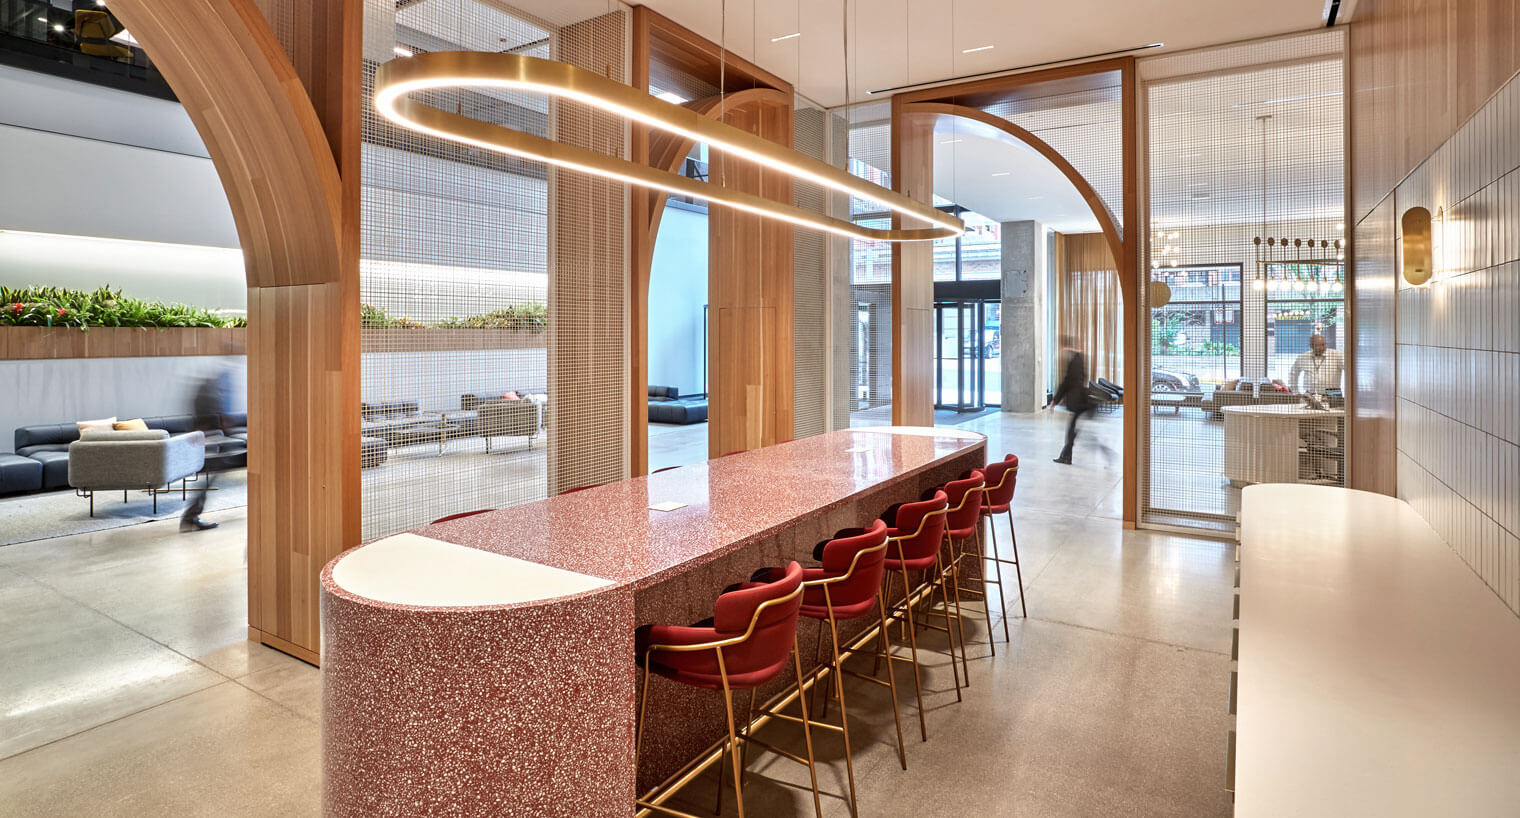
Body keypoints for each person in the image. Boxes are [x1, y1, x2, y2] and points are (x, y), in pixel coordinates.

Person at [182, 368, 231, 532]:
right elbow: (211, 418)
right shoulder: (210, 392)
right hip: (210, 439)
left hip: (207, 438)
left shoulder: (205, 390)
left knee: (208, 477)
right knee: (208, 477)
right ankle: (190, 517)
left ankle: (191, 516)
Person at [1047, 336, 1090, 465]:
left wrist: (1055, 400)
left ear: (1066, 347)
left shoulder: (1074, 361)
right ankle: (1066, 455)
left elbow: (1067, 382)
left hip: (1076, 400)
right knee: (1072, 429)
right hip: (1080, 400)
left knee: (1072, 429)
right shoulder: (1080, 358)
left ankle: (1066, 456)